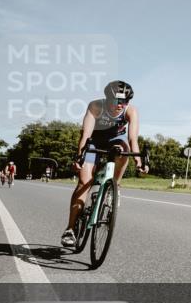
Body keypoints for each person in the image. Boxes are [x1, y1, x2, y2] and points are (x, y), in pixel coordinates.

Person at [60, 80, 147, 248]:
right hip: (93, 142)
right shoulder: (95, 106)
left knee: (124, 148)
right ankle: (70, 229)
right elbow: (85, 135)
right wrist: (79, 157)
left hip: (115, 142)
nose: (121, 105)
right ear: (107, 99)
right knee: (84, 182)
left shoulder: (131, 111)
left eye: (125, 101)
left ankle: (115, 185)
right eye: (117, 101)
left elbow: (132, 139)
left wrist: (139, 162)